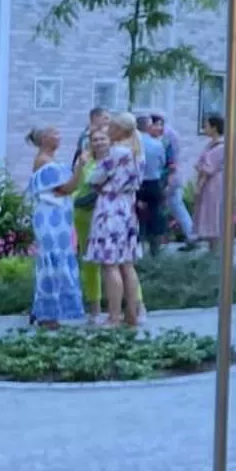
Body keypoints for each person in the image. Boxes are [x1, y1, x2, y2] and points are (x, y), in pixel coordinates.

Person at [24, 127, 85, 327]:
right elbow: (66, 188)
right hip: (49, 219)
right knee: (51, 262)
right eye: (54, 134)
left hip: (59, 219)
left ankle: (42, 309)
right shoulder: (43, 161)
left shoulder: (51, 160)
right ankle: (47, 314)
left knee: (57, 260)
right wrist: (80, 168)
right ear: (43, 139)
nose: (58, 137)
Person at [87, 112, 143, 327]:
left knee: (110, 265)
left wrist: (99, 184)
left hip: (110, 207)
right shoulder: (138, 152)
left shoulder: (116, 152)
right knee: (127, 264)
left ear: (119, 130)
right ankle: (132, 314)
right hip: (127, 208)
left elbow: (95, 177)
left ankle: (113, 316)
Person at [72, 121, 110, 321]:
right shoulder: (85, 160)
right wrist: (81, 165)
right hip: (84, 215)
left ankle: (130, 306)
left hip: (108, 216)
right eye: (95, 139)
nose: (98, 142)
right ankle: (94, 308)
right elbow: (76, 186)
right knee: (89, 263)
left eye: (103, 138)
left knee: (114, 263)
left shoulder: (116, 160)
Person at [156, 114, 196, 248]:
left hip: (168, 177)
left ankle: (163, 237)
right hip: (173, 176)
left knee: (171, 207)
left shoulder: (165, 137)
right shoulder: (171, 133)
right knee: (177, 207)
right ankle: (191, 235)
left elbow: (169, 160)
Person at [135, 112, 168, 257]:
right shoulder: (157, 144)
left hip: (137, 183)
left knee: (136, 215)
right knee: (155, 214)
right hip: (154, 182)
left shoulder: (133, 144)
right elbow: (162, 163)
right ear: (148, 127)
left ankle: (137, 248)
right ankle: (155, 250)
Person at [192, 115, 226, 255]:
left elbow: (208, 169)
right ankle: (212, 248)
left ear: (214, 127)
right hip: (209, 183)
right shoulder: (211, 144)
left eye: (206, 126)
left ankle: (215, 250)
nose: (204, 129)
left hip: (214, 184)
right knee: (208, 213)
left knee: (213, 213)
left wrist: (199, 186)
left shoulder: (220, 147)